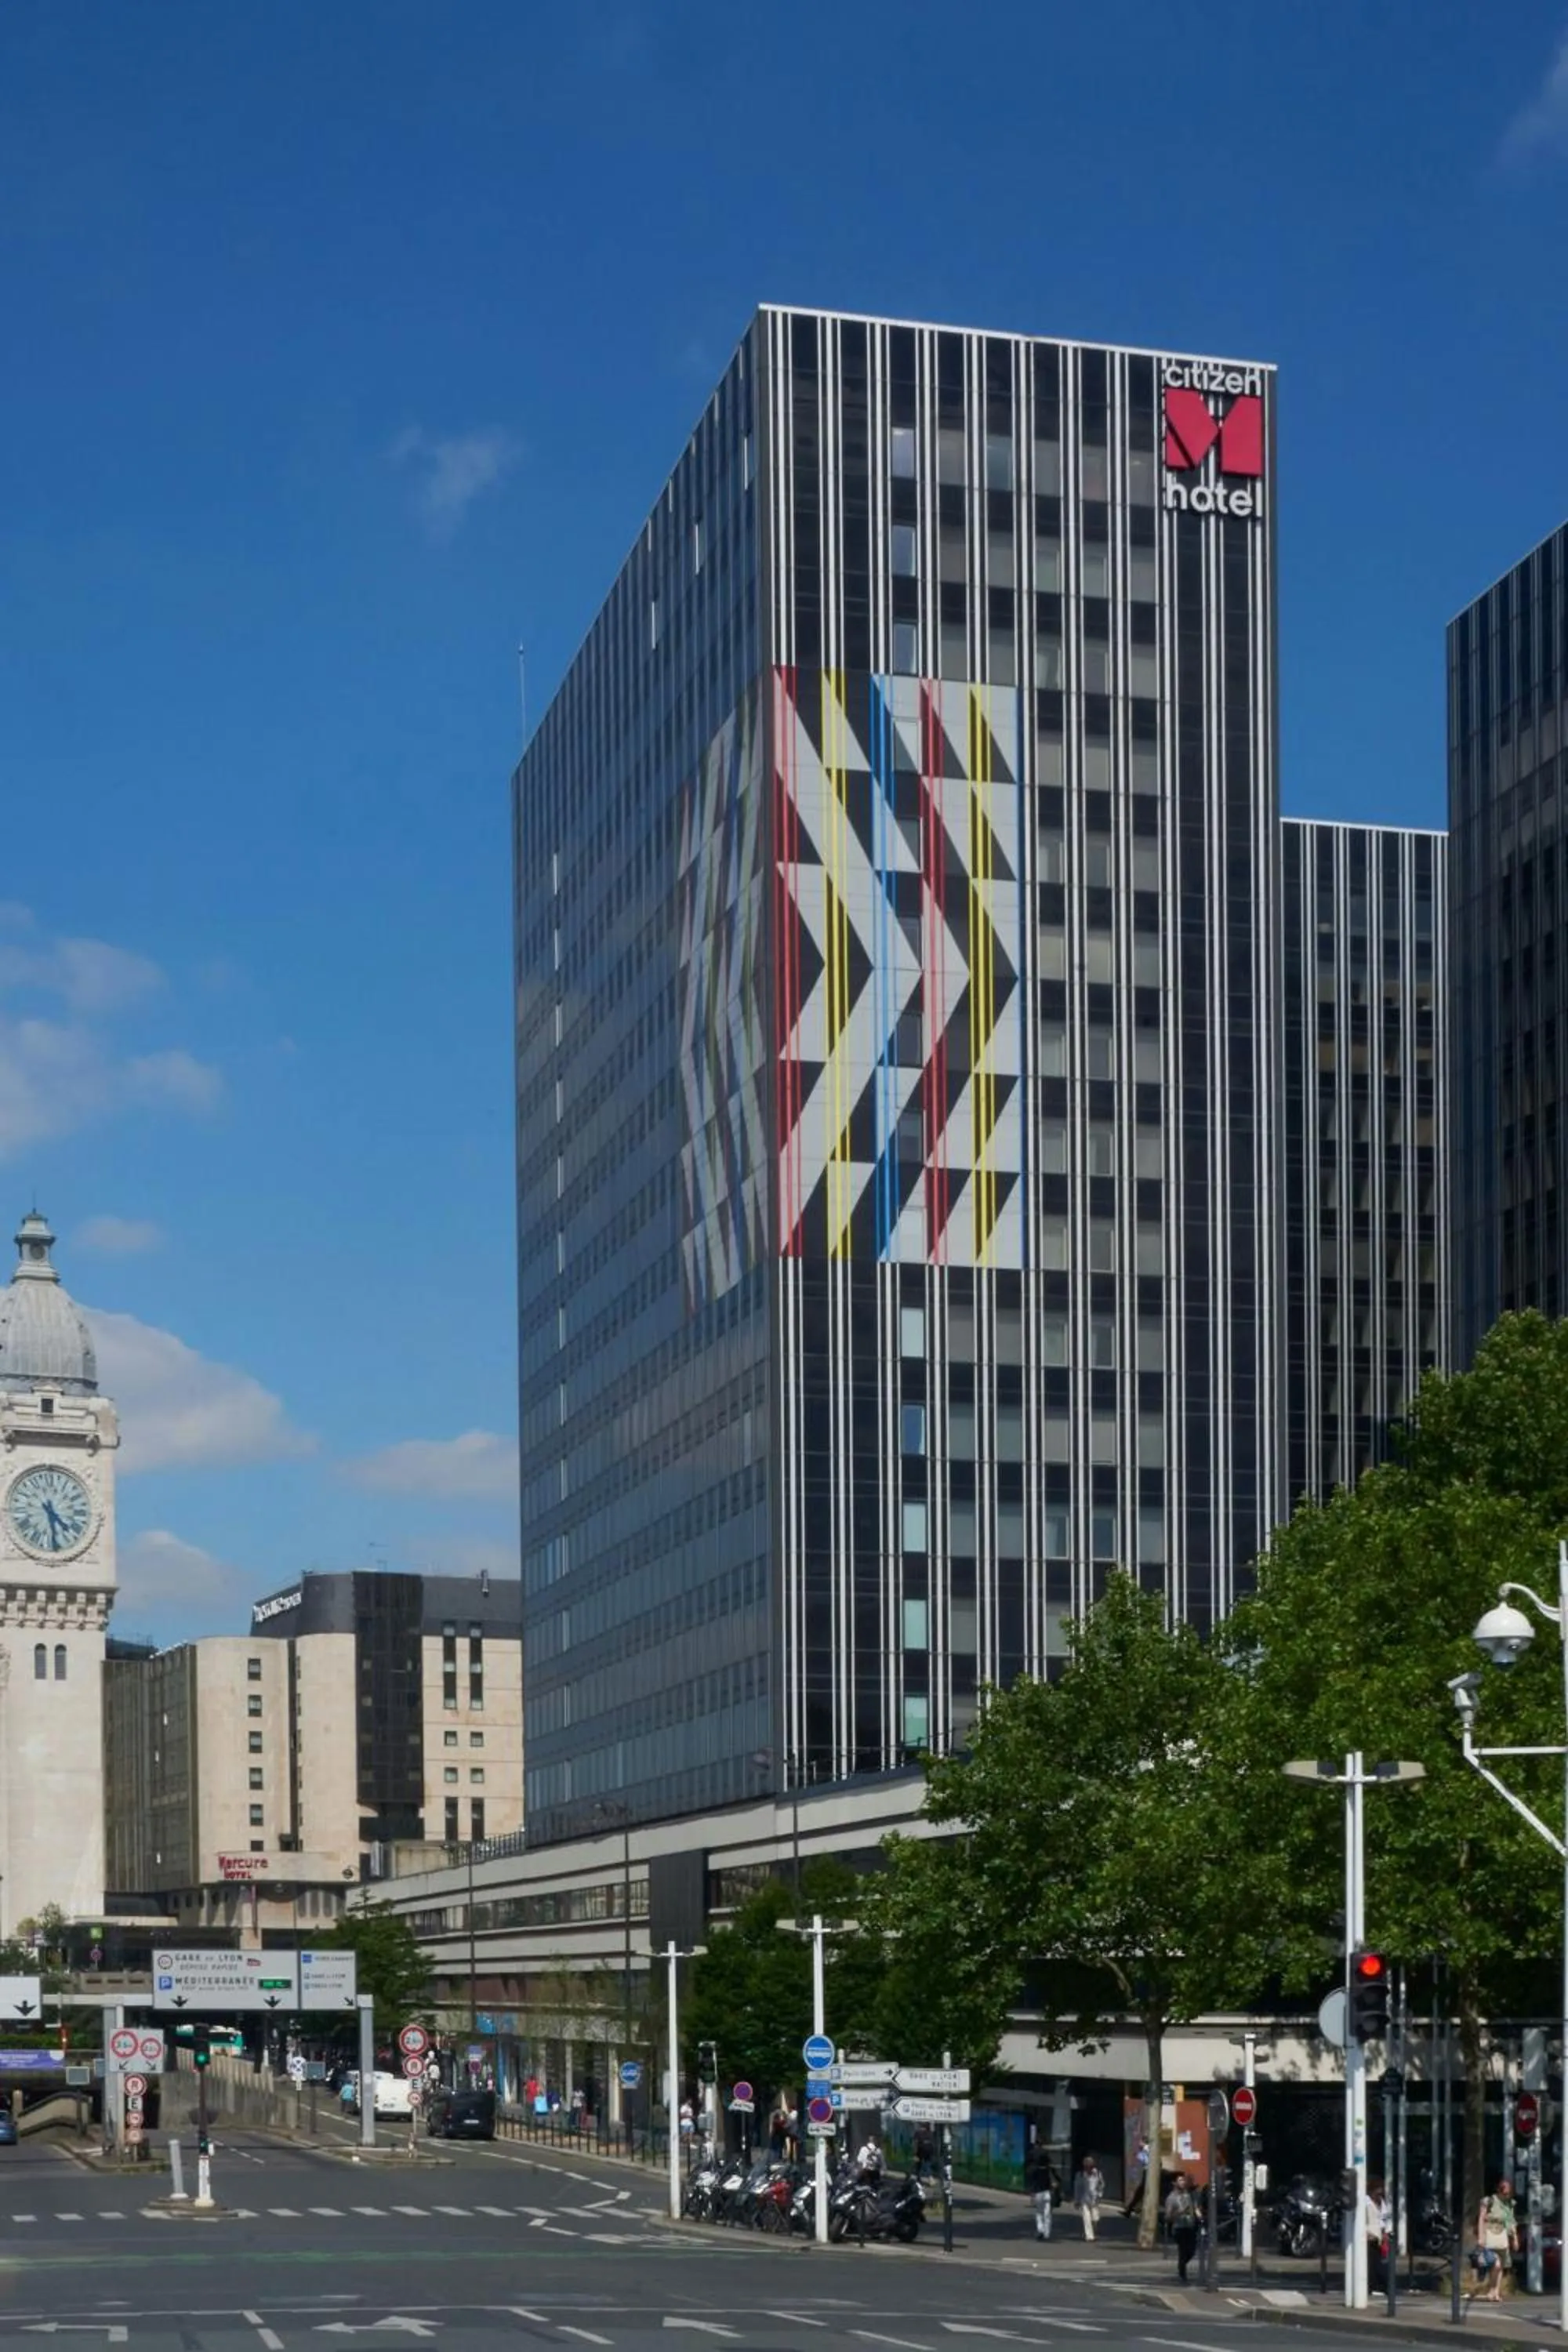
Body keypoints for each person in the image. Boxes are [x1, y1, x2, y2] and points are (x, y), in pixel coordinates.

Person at [1475, 2176, 1518, 2302]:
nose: (1507, 2196)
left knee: (1500, 2266)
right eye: (1505, 2193)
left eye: (1509, 2193)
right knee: (1496, 2265)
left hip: (1502, 2236)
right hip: (1490, 2234)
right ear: (1499, 2191)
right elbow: (1481, 2218)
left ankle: (1495, 2291)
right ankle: (1491, 2289)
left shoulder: (1510, 2204)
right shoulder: (1489, 2201)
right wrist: (1481, 2236)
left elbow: (1511, 2221)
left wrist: (1514, 2237)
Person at [1163, 2171, 1200, 2283]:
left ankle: (1181, 2267)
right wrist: (1178, 2213)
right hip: (1179, 2228)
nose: (1183, 2183)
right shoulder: (1171, 2198)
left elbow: (1194, 2208)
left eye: (1183, 2180)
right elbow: (1168, 2217)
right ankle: (1182, 2273)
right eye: (1180, 2181)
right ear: (1174, 2183)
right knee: (1183, 2251)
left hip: (1190, 2226)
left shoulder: (1188, 2195)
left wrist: (1199, 2214)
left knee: (1192, 2251)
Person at [1026, 2145, 1061, 2241]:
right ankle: (1047, 2233)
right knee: (1048, 2214)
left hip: (1038, 2193)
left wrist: (1031, 2193)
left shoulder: (1033, 2169)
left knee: (1039, 2213)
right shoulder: (1049, 2169)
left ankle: (1040, 2229)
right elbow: (1058, 2179)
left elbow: (1031, 2182)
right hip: (1048, 2193)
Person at [1362, 2176, 1389, 2294]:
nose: (1380, 2192)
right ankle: (1372, 2287)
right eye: (1377, 2190)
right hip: (1368, 2237)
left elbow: (1383, 2219)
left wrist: (1385, 2234)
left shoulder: (1382, 2203)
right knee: (1371, 2265)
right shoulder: (1365, 2202)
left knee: (1379, 2264)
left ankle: (1381, 2286)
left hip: (1379, 2237)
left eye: (1381, 2189)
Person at [1073, 2153, 1104, 2240]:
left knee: (1095, 2218)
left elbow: (1101, 2185)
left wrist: (1100, 2195)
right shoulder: (1080, 2175)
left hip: (1094, 2199)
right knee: (1086, 2218)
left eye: (1090, 2166)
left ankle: (1093, 2230)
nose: (1088, 2168)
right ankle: (1089, 2236)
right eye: (1087, 2167)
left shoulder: (1097, 2174)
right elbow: (1077, 2188)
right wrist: (1077, 2200)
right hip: (1084, 2199)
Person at [1123, 2136, 1150, 2219]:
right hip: (1147, 2172)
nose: (1139, 2144)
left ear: (1143, 2142)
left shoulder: (1146, 2149)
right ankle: (1131, 2209)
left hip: (1148, 2172)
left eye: (1140, 2142)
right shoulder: (1147, 2149)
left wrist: (1138, 2155)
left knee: (1141, 2192)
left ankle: (1131, 2210)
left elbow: (1145, 2160)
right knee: (1141, 2192)